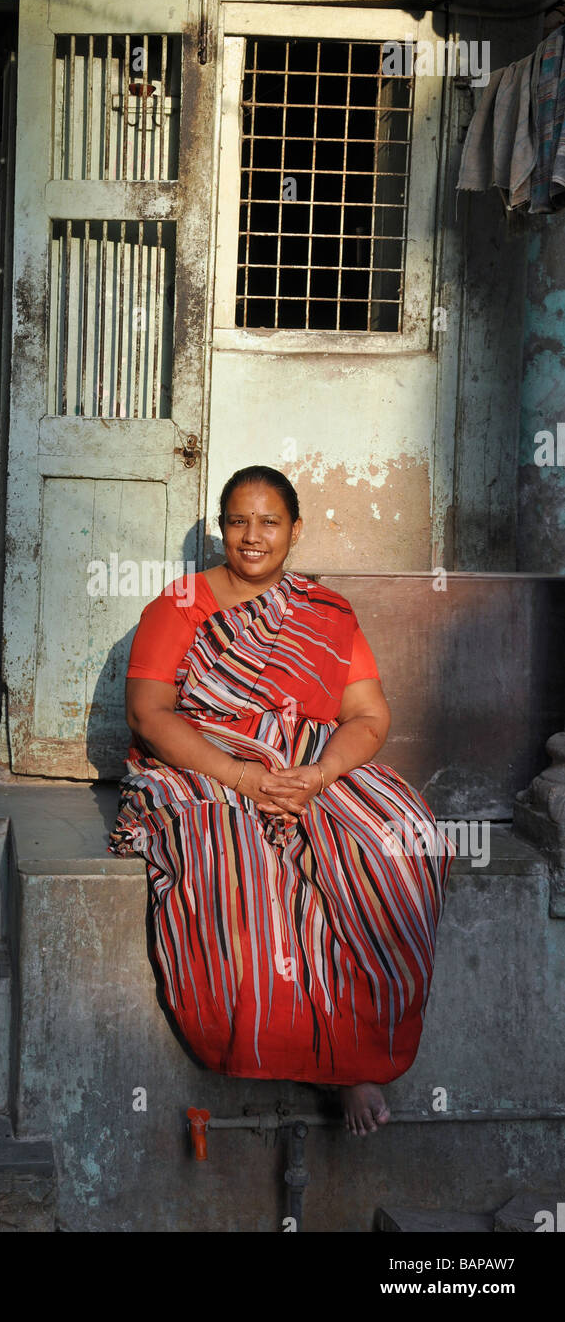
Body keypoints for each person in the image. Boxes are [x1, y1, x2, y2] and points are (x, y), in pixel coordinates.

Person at [108, 466, 454, 1137]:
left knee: (397, 839)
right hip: (206, 765)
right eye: (237, 521)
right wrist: (247, 779)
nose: (252, 536)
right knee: (242, 865)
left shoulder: (326, 612)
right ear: (221, 528)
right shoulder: (177, 606)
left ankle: (356, 1061)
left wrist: (318, 775)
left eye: (268, 521)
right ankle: (283, 1048)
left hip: (311, 769)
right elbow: (149, 716)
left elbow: (367, 716)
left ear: (294, 530)